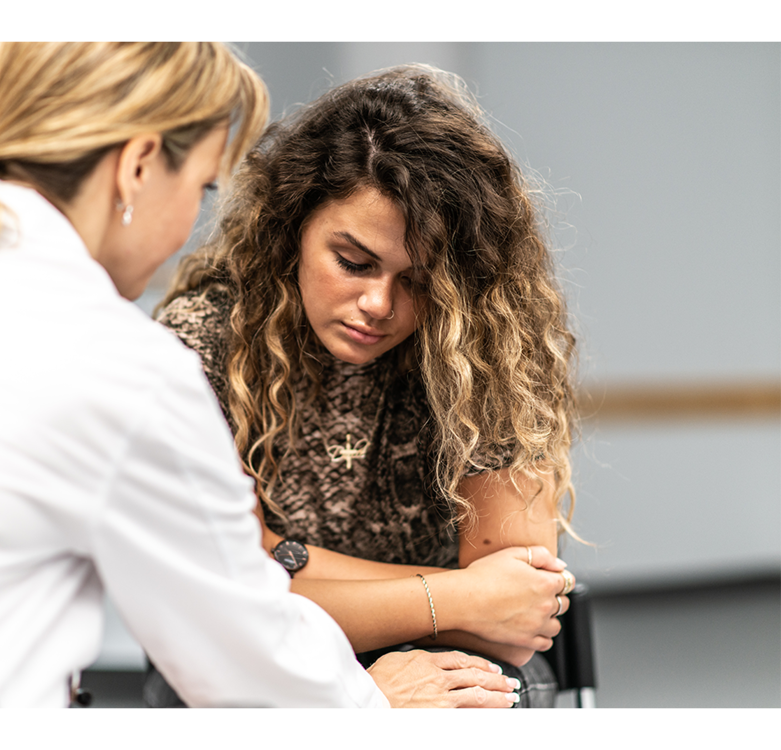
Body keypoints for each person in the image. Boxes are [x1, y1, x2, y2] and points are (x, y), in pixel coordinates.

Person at [0, 43, 527, 709]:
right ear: (138, 166)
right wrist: (371, 700)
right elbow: (251, 673)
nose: (189, 229)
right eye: (202, 187)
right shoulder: (122, 366)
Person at [155, 64, 579, 707]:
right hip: (255, 672)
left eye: (418, 280)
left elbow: (515, 621)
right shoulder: (203, 342)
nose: (378, 304)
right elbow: (219, 610)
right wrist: (460, 594)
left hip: (456, 665)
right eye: (353, 262)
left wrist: (284, 560)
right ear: (293, 228)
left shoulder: (492, 344)